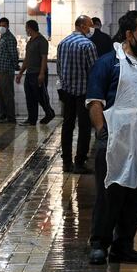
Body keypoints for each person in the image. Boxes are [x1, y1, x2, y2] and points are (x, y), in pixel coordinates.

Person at [85, 10, 137, 265]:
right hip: (115, 141)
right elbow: (94, 102)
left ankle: (123, 245)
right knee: (111, 195)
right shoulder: (108, 62)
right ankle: (99, 244)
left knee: (136, 195)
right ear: (129, 34)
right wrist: (102, 133)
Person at [57, 15, 98, 174]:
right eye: (89, 26)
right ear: (82, 26)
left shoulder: (63, 43)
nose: (91, 29)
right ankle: (79, 162)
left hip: (67, 92)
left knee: (67, 125)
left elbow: (59, 68)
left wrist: (64, 86)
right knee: (84, 126)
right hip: (84, 92)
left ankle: (66, 162)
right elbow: (94, 71)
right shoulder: (88, 45)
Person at [16, 20, 55, 126]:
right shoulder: (30, 42)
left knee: (41, 97)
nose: (25, 30)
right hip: (29, 73)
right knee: (30, 97)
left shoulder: (42, 41)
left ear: (30, 28)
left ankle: (49, 113)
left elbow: (44, 58)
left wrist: (42, 73)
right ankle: (31, 119)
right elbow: (27, 59)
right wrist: (20, 73)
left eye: (26, 28)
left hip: (38, 73)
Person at [0, 18, 18, 124]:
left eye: (3, 25)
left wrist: (15, 65)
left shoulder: (10, 38)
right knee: (1, 94)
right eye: (0, 25)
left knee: (7, 94)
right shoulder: (2, 37)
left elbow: (13, 55)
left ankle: (11, 117)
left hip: (6, 71)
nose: (1, 27)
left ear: (7, 26)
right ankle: (3, 115)